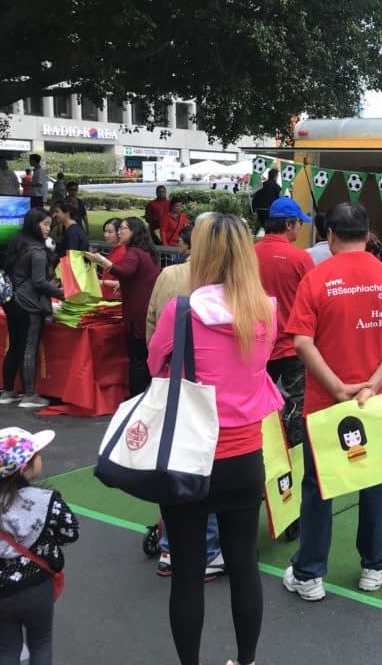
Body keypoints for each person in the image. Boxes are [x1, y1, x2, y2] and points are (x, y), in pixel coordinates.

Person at [148, 213, 281, 665]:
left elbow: (155, 366)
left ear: (201, 253)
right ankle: (246, 660)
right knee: (245, 566)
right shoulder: (267, 310)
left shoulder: (180, 311)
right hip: (245, 456)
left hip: (188, 454)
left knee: (186, 571)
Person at [282, 202, 382, 602]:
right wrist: (372, 385)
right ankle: (375, 566)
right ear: (368, 232)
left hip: (325, 403)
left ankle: (309, 574)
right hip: (373, 403)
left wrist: (338, 388)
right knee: (373, 482)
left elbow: (301, 342)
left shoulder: (317, 278)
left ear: (330, 235)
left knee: (319, 487)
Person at [143, 212, 224, 582]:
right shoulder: (230, 285)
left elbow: (151, 326)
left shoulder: (170, 277)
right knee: (202, 470)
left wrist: (161, 374)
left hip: (169, 384)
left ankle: (169, 548)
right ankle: (205, 549)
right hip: (211, 393)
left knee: (172, 468)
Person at [0, 426, 79, 665]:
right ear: (25, 467)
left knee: (7, 648)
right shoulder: (47, 501)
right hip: (38, 586)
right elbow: (70, 533)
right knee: (40, 643)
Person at [253, 198, 314, 444]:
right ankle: (294, 454)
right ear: (289, 224)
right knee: (296, 404)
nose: (301, 228)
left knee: (254, 401)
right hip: (291, 345)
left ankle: (258, 447)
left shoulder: (249, 253)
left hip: (256, 344)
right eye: (299, 222)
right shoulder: (300, 258)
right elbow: (314, 301)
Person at [85, 217, 160, 396]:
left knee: (137, 360)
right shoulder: (148, 251)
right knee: (144, 357)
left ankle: (136, 398)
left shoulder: (134, 251)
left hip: (136, 313)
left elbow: (125, 272)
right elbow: (140, 276)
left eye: (123, 228)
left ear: (134, 231)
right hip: (147, 310)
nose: (120, 231)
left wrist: (101, 260)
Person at [0, 209, 64, 410]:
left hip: (11, 302)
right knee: (28, 347)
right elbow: (39, 282)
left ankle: (8, 391)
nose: (47, 229)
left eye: (49, 225)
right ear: (34, 224)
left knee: (15, 346)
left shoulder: (18, 241)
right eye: (44, 224)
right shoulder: (37, 251)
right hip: (29, 305)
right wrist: (63, 293)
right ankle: (29, 395)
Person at [99, 217, 126, 299]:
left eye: (110, 232)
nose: (106, 235)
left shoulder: (123, 251)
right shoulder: (114, 250)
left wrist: (102, 282)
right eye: (105, 231)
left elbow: (125, 281)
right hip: (108, 297)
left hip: (115, 299)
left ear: (119, 233)